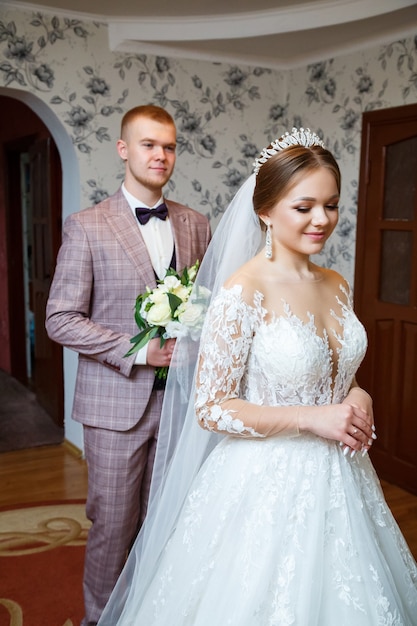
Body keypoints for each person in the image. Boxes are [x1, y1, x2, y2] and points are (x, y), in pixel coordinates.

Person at [97, 128, 417, 625]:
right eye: (304, 206)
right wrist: (314, 418)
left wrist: (360, 393)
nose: (322, 220)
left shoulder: (336, 283)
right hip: (265, 483)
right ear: (266, 210)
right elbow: (212, 407)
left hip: (343, 475)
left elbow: (337, 371)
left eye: (331, 205)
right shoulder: (242, 291)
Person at [45, 104, 211, 626]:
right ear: (123, 149)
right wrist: (139, 350)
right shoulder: (87, 226)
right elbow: (60, 319)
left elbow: (210, 307)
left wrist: (197, 344)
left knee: (168, 522)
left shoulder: (197, 224)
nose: (160, 155)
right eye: (148, 145)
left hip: (183, 404)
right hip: (115, 407)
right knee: (114, 526)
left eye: (169, 146)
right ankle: (101, 620)